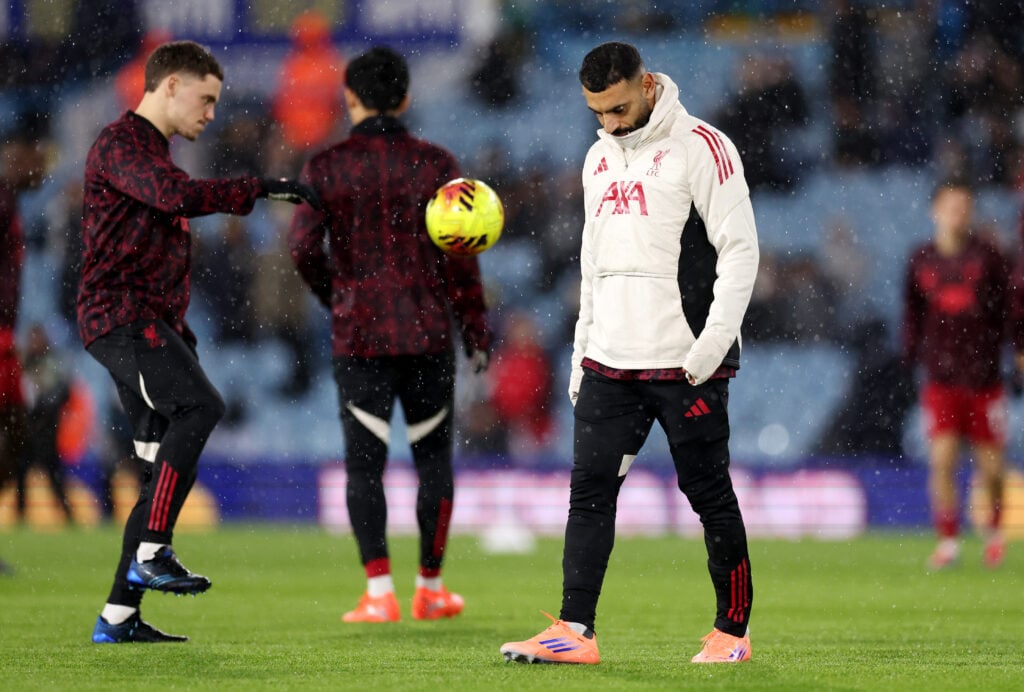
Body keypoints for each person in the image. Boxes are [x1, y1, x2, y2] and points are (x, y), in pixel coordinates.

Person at [500, 42, 759, 665]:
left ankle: (732, 634)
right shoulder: (597, 157)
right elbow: (593, 266)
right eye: (597, 113)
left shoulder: (703, 146)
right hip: (609, 363)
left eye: (617, 108)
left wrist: (711, 347)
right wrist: (580, 349)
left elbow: (741, 251)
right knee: (588, 494)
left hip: (685, 362)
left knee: (708, 496)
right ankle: (574, 631)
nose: (608, 123)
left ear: (646, 84)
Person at [81, 40, 318, 645]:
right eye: (206, 98)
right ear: (168, 86)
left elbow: (160, 235)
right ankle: (153, 550)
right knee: (201, 407)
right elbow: (176, 198)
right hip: (120, 318)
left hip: (147, 321)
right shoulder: (120, 144)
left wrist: (180, 334)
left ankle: (118, 616)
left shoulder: (150, 153)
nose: (211, 113)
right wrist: (260, 186)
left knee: (157, 463)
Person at [288, 46, 492, 623]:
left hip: (361, 339)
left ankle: (379, 595)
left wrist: (337, 294)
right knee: (433, 462)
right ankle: (431, 587)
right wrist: (474, 327)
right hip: (427, 334)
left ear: (348, 97)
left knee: (363, 466)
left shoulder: (324, 166)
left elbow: (301, 245)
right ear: (405, 97)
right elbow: (461, 253)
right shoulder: (436, 164)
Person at [903, 178, 1011, 571]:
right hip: (941, 378)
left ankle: (995, 533)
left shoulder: (989, 257)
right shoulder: (920, 260)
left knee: (993, 468)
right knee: (943, 461)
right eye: (950, 206)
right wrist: (910, 358)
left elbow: (1010, 309)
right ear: (935, 210)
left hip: (984, 378)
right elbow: (912, 315)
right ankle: (948, 540)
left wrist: (1015, 350)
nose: (957, 213)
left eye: (964, 206)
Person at [0, 127, 47, 573]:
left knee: (18, 438)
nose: (41, 168)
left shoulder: (9, 198)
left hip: (4, 339)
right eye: (34, 155)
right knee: (15, 436)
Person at [17, 323, 76, 524]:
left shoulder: (51, 362)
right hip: (28, 429)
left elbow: (63, 391)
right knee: (21, 473)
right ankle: (21, 515)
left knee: (53, 475)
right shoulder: (24, 362)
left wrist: (44, 403)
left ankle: (67, 515)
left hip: (46, 429)